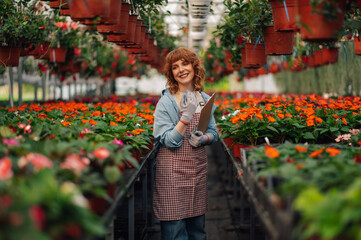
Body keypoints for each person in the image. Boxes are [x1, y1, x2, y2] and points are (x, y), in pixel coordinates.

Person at [153, 47, 218, 240]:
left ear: (194, 66)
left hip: (197, 170)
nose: (181, 69)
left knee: (198, 230)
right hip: (171, 173)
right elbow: (169, 141)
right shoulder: (166, 102)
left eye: (185, 63)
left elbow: (214, 132)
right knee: (175, 231)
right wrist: (186, 117)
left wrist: (204, 138)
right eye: (175, 67)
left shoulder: (205, 99)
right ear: (171, 73)